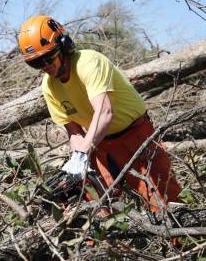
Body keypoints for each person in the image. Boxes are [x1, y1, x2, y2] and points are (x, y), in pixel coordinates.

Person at [18, 15, 181, 212]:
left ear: (63, 45)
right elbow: (74, 130)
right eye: (36, 63)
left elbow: (104, 113)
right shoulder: (49, 87)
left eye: (47, 57)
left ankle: (181, 238)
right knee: (98, 200)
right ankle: (108, 241)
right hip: (99, 141)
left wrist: (82, 152)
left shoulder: (88, 62)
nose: (45, 65)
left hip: (136, 134)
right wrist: (78, 160)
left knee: (160, 197)